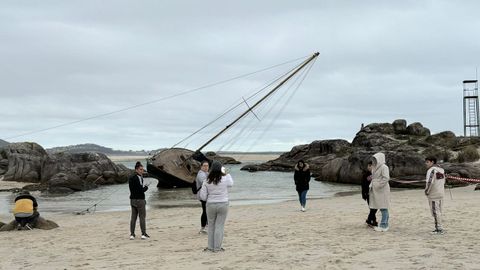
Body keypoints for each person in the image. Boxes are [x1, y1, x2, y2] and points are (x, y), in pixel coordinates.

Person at [199, 161, 233, 252]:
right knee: (219, 226)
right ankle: (217, 248)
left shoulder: (206, 180)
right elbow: (231, 184)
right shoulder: (225, 178)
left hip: (210, 204)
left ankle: (210, 247)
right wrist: (226, 172)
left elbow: (202, 196)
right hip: (223, 203)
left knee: (211, 226)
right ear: (221, 169)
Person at [369, 153, 391, 232]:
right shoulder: (375, 167)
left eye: (376, 159)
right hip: (376, 189)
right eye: (374, 159)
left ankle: (384, 225)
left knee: (383, 207)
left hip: (382, 189)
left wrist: (378, 185)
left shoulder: (384, 167)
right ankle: (384, 224)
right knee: (380, 207)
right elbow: (375, 177)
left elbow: (386, 178)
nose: (374, 160)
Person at [424, 156, 446, 235]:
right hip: (441, 193)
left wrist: (426, 191)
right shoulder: (441, 169)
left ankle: (439, 229)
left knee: (435, 212)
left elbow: (430, 182)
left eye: (427, 162)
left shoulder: (431, 170)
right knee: (439, 211)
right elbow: (444, 181)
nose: (426, 164)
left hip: (434, 194)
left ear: (432, 162)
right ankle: (439, 227)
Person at [129, 161, 150, 240]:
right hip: (140, 200)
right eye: (141, 169)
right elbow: (140, 190)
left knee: (133, 217)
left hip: (132, 200)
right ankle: (143, 234)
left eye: (142, 169)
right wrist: (146, 187)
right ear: (136, 170)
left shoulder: (131, 177)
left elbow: (133, 189)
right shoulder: (138, 177)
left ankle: (132, 234)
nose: (142, 171)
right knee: (142, 217)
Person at [361, 161, 377, 227]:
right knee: (372, 208)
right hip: (368, 193)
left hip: (375, 193)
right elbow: (362, 185)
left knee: (375, 207)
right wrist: (363, 194)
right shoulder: (365, 175)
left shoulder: (376, 174)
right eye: (368, 166)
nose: (368, 167)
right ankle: (372, 221)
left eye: (370, 166)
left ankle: (370, 220)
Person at [196, 160, 209, 234]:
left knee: (206, 210)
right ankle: (203, 227)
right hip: (202, 195)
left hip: (206, 195)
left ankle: (206, 226)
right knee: (205, 211)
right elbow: (205, 182)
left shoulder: (206, 173)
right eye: (204, 166)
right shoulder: (201, 174)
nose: (206, 167)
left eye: (207, 166)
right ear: (201, 166)